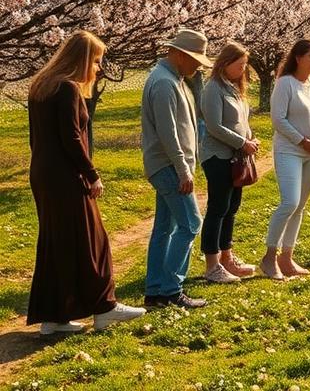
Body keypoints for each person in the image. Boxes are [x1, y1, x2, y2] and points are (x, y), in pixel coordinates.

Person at [27, 31, 145, 334]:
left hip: (43, 172)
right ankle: (104, 307)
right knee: (94, 241)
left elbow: (38, 138)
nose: (98, 68)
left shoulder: (41, 86)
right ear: (81, 59)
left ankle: (54, 316)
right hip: (66, 175)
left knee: (57, 242)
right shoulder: (67, 89)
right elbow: (72, 138)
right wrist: (91, 174)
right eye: (96, 61)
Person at [141, 28, 212, 309]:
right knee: (191, 224)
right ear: (180, 54)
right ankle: (171, 289)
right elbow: (168, 133)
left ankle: (156, 289)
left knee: (165, 227)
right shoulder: (164, 83)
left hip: (170, 163)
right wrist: (183, 170)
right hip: (169, 164)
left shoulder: (173, 79)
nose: (198, 65)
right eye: (195, 59)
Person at [262, 38, 310, 279]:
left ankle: (287, 258)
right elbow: (278, 120)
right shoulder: (285, 84)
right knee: (289, 202)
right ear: (298, 58)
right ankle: (269, 257)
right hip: (289, 150)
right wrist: (303, 141)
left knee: (300, 206)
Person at [199, 41, 260, 283]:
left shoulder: (233, 87)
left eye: (245, 65)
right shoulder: (213, 87)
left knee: (232, 207)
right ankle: (212, 264)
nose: (243, 70)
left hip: (236, 157)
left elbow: (241, 120)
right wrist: (241, 142)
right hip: (218, 157)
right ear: (225, 63)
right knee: (218, 208)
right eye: (240, 65)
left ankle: (227, 256)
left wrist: (250, 138)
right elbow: (214, 126)